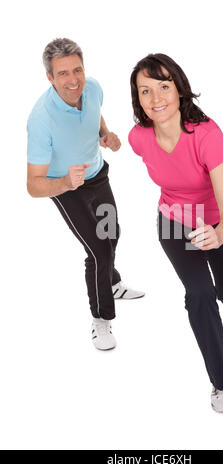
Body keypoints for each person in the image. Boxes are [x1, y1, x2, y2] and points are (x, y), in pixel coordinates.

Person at [128, 53, 223, 413]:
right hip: (174, 221)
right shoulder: (139, 138)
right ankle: (222, 384)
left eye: (163, 86)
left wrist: (219, 233)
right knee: (199, 293)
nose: (156, 98)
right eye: (145, 91)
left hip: (219, 222)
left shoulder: (207, 135)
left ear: (179, 89)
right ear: (138, 99)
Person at [26, 38, 144, 351]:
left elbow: (95, 113)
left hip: (97, 174)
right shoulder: (41, 120)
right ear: (50, 78)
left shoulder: (92, 88)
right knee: (98, 251)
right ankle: (101, 320)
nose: (73, 79)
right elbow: (33, 184)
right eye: (62, 74)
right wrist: (65, 181)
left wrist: (104, 135)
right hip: (65, 188)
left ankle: (112, 282)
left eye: (77, 69)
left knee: (112, 233)